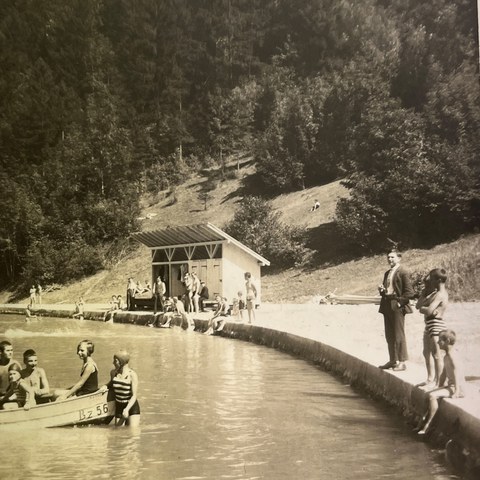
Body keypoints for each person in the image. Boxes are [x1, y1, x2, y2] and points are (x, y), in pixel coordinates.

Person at [416, 329, 465, 435]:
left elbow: (456, 373)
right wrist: (438, 386)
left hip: (457, 388)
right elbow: (443, 374)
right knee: (427, 394)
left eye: (440, 340)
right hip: (451, 386)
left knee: (432, 396)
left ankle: (428, 424)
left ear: (447, 341)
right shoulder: (447, 355)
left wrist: (456, 391)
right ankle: (423, 419)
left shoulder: (452, 356)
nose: (438, 342)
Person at [378, 250, 414, 371]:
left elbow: (409, 292)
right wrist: (382, 290)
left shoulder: (403, 272)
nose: (390, 259)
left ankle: (402, 362)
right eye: (388, 257)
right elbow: (388, 290)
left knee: (399, 334)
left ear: (399, 258)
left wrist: (399, 302)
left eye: (392, 257)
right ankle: (393, 360)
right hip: (386, 304)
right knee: (389, 334)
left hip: (396, 304)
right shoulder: (387, 272)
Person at [416, 268, 449, 386]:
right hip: (429, 325)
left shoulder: (441, 295)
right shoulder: (434, 293)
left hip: (436, 325)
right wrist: (424, 296)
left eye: (432, 278)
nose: (430, 281)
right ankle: (430, 378)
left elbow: (429, 310)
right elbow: (418, 305)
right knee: (426, 352)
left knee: (436, 354)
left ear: (439, 280)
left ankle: (438, 381)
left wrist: (423, 309)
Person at [106, 350, 140, 427]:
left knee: (133, 434)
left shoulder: (132, 375)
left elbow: (134, 395)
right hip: (119, 406)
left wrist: (127, 409)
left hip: (131, 406)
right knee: (118, 434)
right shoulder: (113, 373)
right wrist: (104, 387)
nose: (113, 363)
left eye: (115, 361)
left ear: (121, 362)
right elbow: (110, 384)